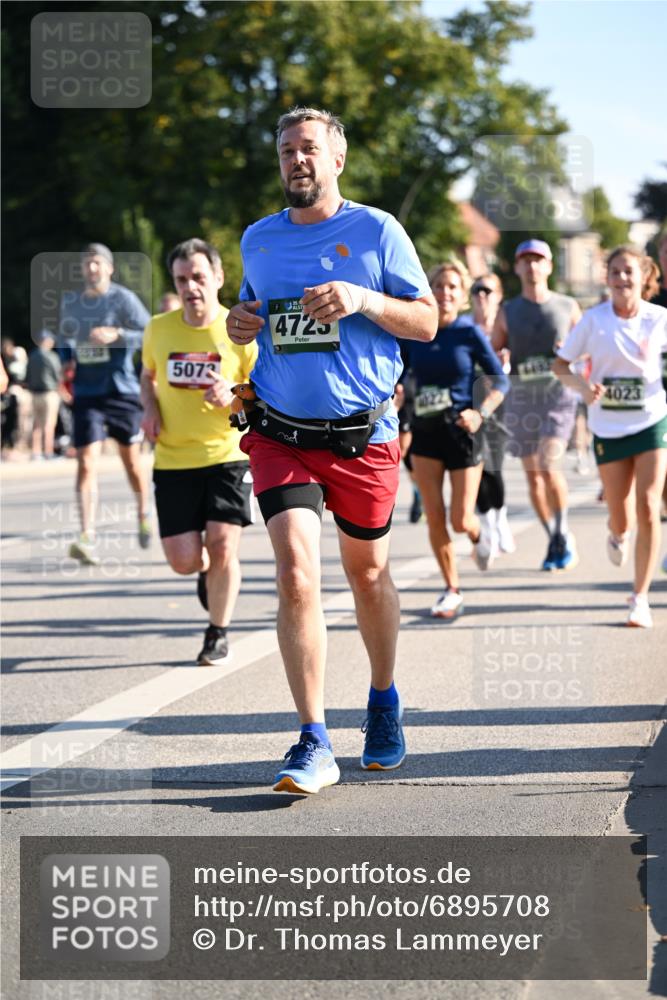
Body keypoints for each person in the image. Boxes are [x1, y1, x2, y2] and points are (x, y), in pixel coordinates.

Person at [227, 107, 437, 794]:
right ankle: (312, 738)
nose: (297, 160)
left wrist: (362, 297)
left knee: (367, 574)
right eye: (287, 150)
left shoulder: (376, 230)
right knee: (295, 576)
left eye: (309, 148)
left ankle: (382, 699)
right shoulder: (258, 239)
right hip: (279, 431)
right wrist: (238, 318)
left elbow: (427, 321)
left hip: (362, 436)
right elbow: (251, 314)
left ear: (336, 160)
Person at [141, 239, 257, 665]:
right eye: (182, 279)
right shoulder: (158, 328)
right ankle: (206, 569)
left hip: (228, 453)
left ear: (218, 278)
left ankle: (217, 631)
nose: (191, 287)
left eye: (199, 278)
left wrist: (233, 392)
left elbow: (260, 390)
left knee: (224, 544)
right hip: (173, 458)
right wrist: (149, 408)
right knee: (184, 561)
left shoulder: (240, 330)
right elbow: (146, 375)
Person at [553, 245, 667, 628]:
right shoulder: (593, 320)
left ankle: (639, 598)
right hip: (608, 427)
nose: (622, 279)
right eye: (615, 272)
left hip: (653, 421)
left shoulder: (659, 318)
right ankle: (617, 534)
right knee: (622, 516)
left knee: (649, 505)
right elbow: (561, 365)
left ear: (644, 276)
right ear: (607, 278)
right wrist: (584, 389)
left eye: (629, 272)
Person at [403, 261, 509, 620]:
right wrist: (398, 394)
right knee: (434, 517)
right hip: (425, 433)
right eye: (438, 286)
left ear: (462, 295)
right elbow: (397, 376)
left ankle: (480, 537)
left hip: (464, 433)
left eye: (452, 287)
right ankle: (451, 588)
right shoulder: (416, 332)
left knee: (462, 519)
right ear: (428, 291)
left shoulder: (468, 332)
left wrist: (481, 412)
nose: (444, 292)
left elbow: (500, 382)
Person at [58, 243, 151, 564]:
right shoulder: (71, 303)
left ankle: (142, 512)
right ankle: (87, 535)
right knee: (85, 462)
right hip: (87, 392)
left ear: (109, 267)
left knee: (132, 463)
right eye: (87, 263)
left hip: (122, 390)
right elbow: (64, 339)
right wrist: (66, 356)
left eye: (97, 263)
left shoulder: (123, 299)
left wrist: (117, 336)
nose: (92, 269)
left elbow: (150, 331)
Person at [492, 239, 582, 571]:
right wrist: (499, 357)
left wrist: (572, 350)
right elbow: (493, 350)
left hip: (557, 396)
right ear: (517, 268)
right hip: (522, 400)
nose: (532, 266)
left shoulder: (568, 306)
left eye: (538, 260)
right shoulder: (507, 311)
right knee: (534, 478)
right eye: (525, 260)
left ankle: (562, 531)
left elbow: (587, 349)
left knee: (549, 464)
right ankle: (553, 537)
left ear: (548, 266)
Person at [470, 272, 515, 556]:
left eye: (488, 290)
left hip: (499, 406)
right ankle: (487, 527)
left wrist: (506, 369)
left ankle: (500, 520)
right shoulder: (463, 327)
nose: (482, 296)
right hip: (468, 406)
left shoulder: (506, 330)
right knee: (474, 469)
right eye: (477, 290)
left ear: (499, 295)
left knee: (493, 467)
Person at [26, 330, 63, 460]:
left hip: (35, 394)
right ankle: (48, 451)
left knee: (36, 424)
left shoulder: (32, 355)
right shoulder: (52, 356)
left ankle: (36, 452)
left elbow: (28, 376)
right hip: (49, 393)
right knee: (49, 424)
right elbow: (58, 376)